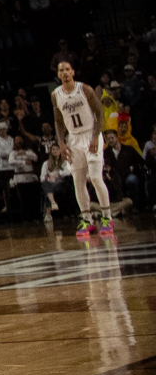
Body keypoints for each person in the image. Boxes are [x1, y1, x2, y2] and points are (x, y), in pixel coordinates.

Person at [50, 53, 114, 238]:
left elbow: (100, 114)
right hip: (74, 139)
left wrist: (96, 136)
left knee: (95, 177)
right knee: (78, 181)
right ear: (58, 73)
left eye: (67, 69)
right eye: (61, 70)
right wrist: (61, 142)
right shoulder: (56, 95)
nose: (64, 72)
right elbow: (58, 121)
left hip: (91, 134)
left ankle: (107, 218)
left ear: (73, 71)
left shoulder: (84, 89)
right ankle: (87, 220)